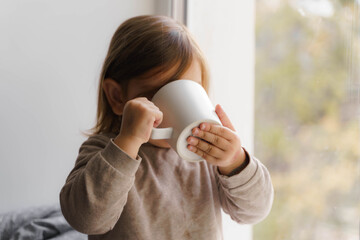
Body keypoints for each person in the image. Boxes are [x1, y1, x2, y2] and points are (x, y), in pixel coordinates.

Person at [60, 15, 274, 240]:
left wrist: (235, 162)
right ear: (117, 97)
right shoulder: (105, 151)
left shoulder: (205, 153)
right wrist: (127, 143)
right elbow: (86, 220)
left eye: (188, 90)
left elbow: (255, 211)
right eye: (158, 94)